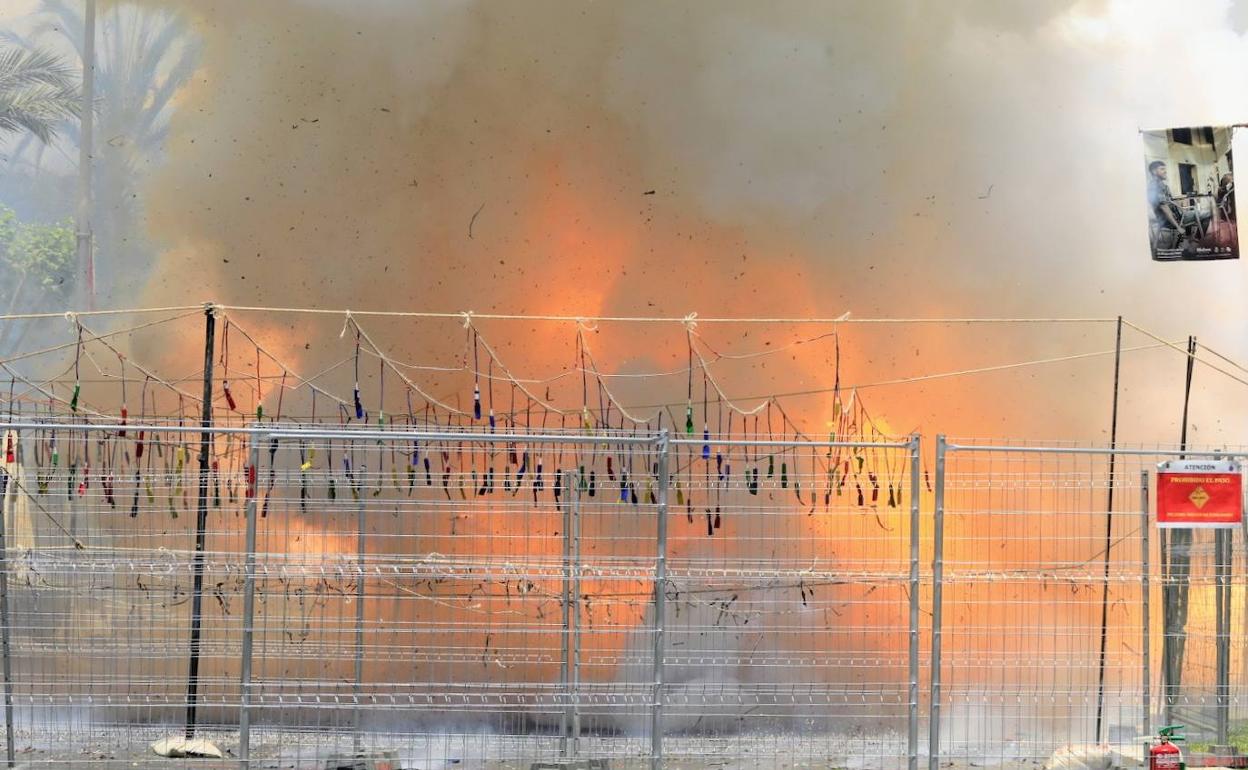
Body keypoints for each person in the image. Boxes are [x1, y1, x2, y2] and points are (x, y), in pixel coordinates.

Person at [1147, 160, 1209, 237]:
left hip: (1168, 219)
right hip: (1175, 220)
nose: (1165, 171)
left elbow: (1169, 201)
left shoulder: (1157, 185)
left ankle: (1188, 238)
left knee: (1188, 210)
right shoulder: (1157, 186)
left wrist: (1181, 207)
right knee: (1208, 213)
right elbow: (1164, 208)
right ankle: (1197, 240)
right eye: (1162, 169)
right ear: (1154, 171)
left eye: (1165, 169)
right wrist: (1178, 227)